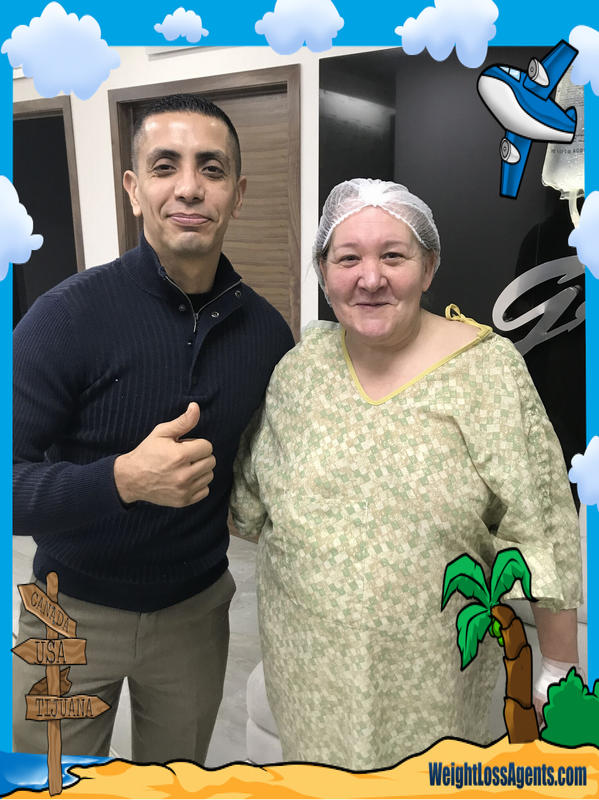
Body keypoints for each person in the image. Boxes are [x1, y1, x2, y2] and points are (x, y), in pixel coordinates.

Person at [230, 178, 582, 770]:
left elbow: (542, 527)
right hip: (309, 672)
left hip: (438, 683)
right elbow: (251, 503)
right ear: (323, 271)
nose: (370, 278)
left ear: (429, 266)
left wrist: (559, 666)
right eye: (348, 258)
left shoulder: (486, 372)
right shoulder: (298, 371)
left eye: (393, 256)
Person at [13, 94, 294, 762]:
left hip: (195, 616)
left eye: (211, 168)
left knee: (174, 784)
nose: (189, 187)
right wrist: (121, 480)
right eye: (165, 167)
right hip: (67, 613)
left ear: (237, 194)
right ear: (134, 189)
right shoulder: (65, 318)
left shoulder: (266, 336)